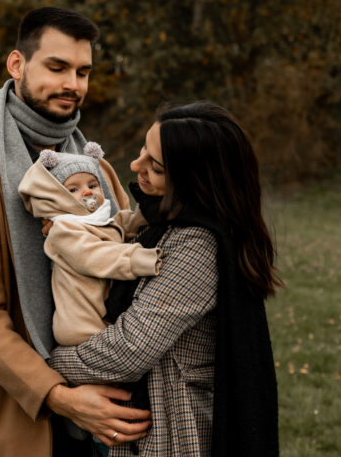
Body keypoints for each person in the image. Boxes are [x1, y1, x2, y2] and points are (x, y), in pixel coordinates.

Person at [0, 7, 151, 457]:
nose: (73, 83)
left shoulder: (95, 168)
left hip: (115, 404)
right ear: (17, 65)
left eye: (83, 71)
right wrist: (65, 399)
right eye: (57, 67)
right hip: (33, 417)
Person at [48, 101, 282, 456]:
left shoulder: (196, 245)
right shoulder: (161, 221)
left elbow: (128, 349)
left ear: (193, 181)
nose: (134, 165)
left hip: (172, 435)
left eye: (155, 167)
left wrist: (47, 366)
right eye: (144, 149)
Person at [17, 142, 161, 347]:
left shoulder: (96, 220)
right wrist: (137, 258)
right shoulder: (63, 229)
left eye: (92, 185)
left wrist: (143, 217)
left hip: (101, 315)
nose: (87, 193)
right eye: (74, 189)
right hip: (79, 324)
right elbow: (93, 256)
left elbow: (119, 225)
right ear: (56, 196)